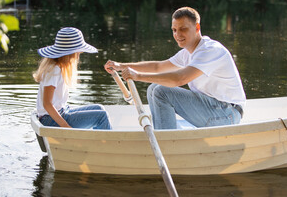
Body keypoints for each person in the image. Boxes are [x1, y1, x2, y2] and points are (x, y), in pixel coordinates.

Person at [105, 7, 245, 129]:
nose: (177, 35)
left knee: (161, 91)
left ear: (197, 28)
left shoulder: (209, 50)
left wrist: (138, 76)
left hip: (227, 115)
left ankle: (166, 140)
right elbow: (158, 66)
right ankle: (163, 132)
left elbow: (180, 79)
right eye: (174, 30)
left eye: (183, 29)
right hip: (212, 110)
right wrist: (121, 66)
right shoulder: (187, 53)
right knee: (153, 88)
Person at [33, 27, 111, 129]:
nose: (78, 56)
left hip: (61, 112)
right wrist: (67, 127)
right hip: (49, 119)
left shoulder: (58, 67)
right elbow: (47, 104)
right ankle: (104, 144)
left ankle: (95, 141)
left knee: (99, 108)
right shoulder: (54, 70)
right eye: (77, 53)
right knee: (102, 116)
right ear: (70, 54)